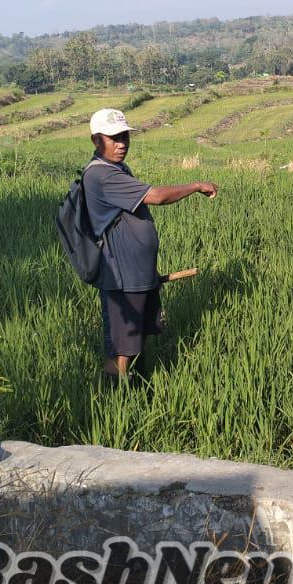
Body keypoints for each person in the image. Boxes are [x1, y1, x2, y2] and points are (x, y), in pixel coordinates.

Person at [82, 108, 218, 380]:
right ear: (96, 140)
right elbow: (156, 196)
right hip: (122, 278)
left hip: (138, 273)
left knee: (139, 338)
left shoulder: (118, 169)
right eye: (113, 138)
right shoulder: (101, 176)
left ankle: (139, 387)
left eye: (125, 136)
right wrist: (195, 186)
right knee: (122, 348)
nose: (122, 144)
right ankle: (115, 398)